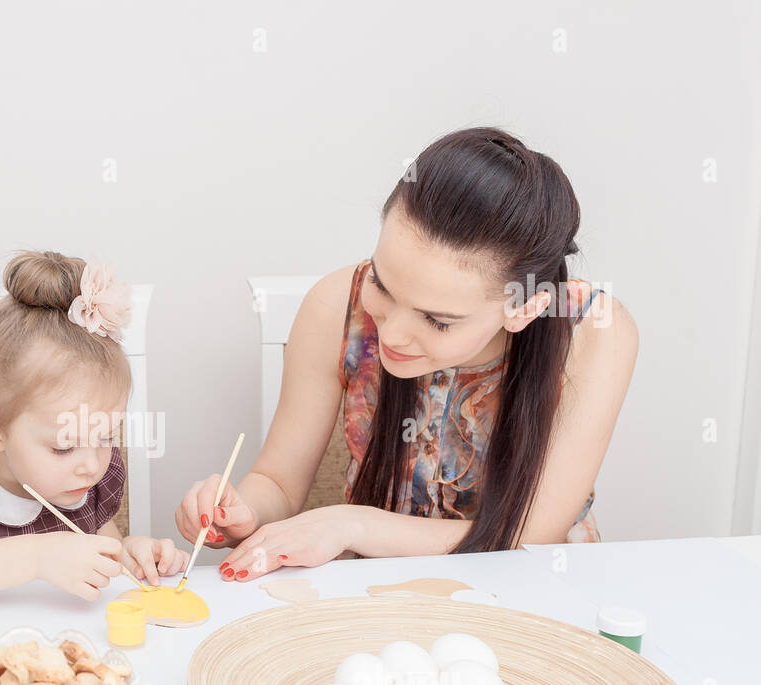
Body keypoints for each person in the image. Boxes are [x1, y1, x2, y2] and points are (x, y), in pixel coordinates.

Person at [176, 127, 639, 581]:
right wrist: (242, 511)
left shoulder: (594, 331)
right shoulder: (333, 305)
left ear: (524, 308)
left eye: (437, 320)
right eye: (381, 282)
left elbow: (531, 533)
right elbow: (278, 481)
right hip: (383, 598)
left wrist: (352, 525)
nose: (392, 334)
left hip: (542, 593)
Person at [0, 250, 185, 603]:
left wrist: (127, 556)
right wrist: (38, 557)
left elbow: (105, 556)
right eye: (63, 447)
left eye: (105, 436)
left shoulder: (85, 487)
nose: (91, 465)